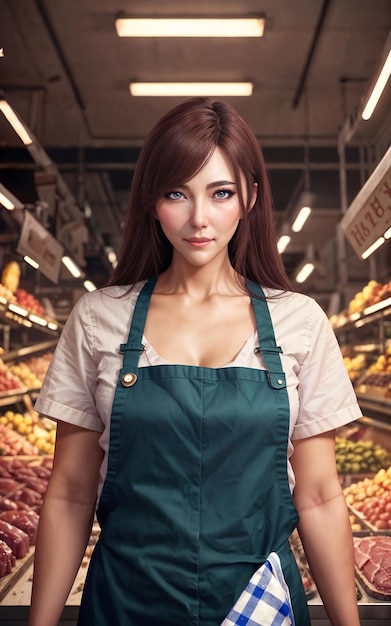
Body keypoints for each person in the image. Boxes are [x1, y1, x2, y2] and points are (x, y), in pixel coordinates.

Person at [28, 97, 362, 626]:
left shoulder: (300, 322)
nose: (199, 218)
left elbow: (320, 497)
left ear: (250, 196)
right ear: (152, 201)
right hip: (126, 603)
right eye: (177, 193)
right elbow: (70, 492)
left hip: (259, 607)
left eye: (221, 193)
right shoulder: (99, 319)